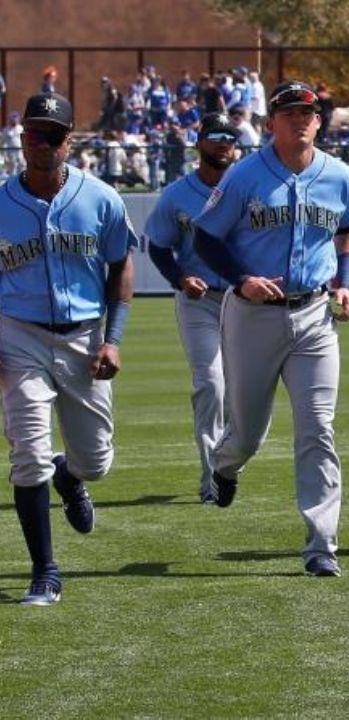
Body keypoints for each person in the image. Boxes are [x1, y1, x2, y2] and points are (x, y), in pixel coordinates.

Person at [193, 81, 349, 577]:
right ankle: (224, 465)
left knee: (318, 428)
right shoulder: (245, 175)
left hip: (314, 316)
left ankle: (322, 543)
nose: (299, 120)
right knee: (248, 433)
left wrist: (346, 283)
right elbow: (205, 237)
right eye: (289, 112)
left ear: (319, 121)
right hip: (253, 314)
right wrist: (240, 280)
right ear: (271, 123)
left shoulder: (339, 175)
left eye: (307, 112)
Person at [0, 92, 137, 605]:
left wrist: (113, 339)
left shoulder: (100, 198)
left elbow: (121, 265)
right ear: (22, 140)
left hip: (84, 335)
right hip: (18, 335)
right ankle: (45, 571)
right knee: (28, 456)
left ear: (69, 142)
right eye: (34, 133)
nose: (42, 143)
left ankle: (70, 475)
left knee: (95, 461)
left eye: (53, 135)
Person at [143, 113, 239, 504]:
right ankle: (211, 476)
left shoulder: (248, 186)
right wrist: (180, 278)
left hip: (244, 300)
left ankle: (229, 464)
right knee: (211, 383)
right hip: (198, 301)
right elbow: (158, 246)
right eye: (215, 135)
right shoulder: (177, 194)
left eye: (230, 136)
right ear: (199, 142)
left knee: (240, 392)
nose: (223, 142)